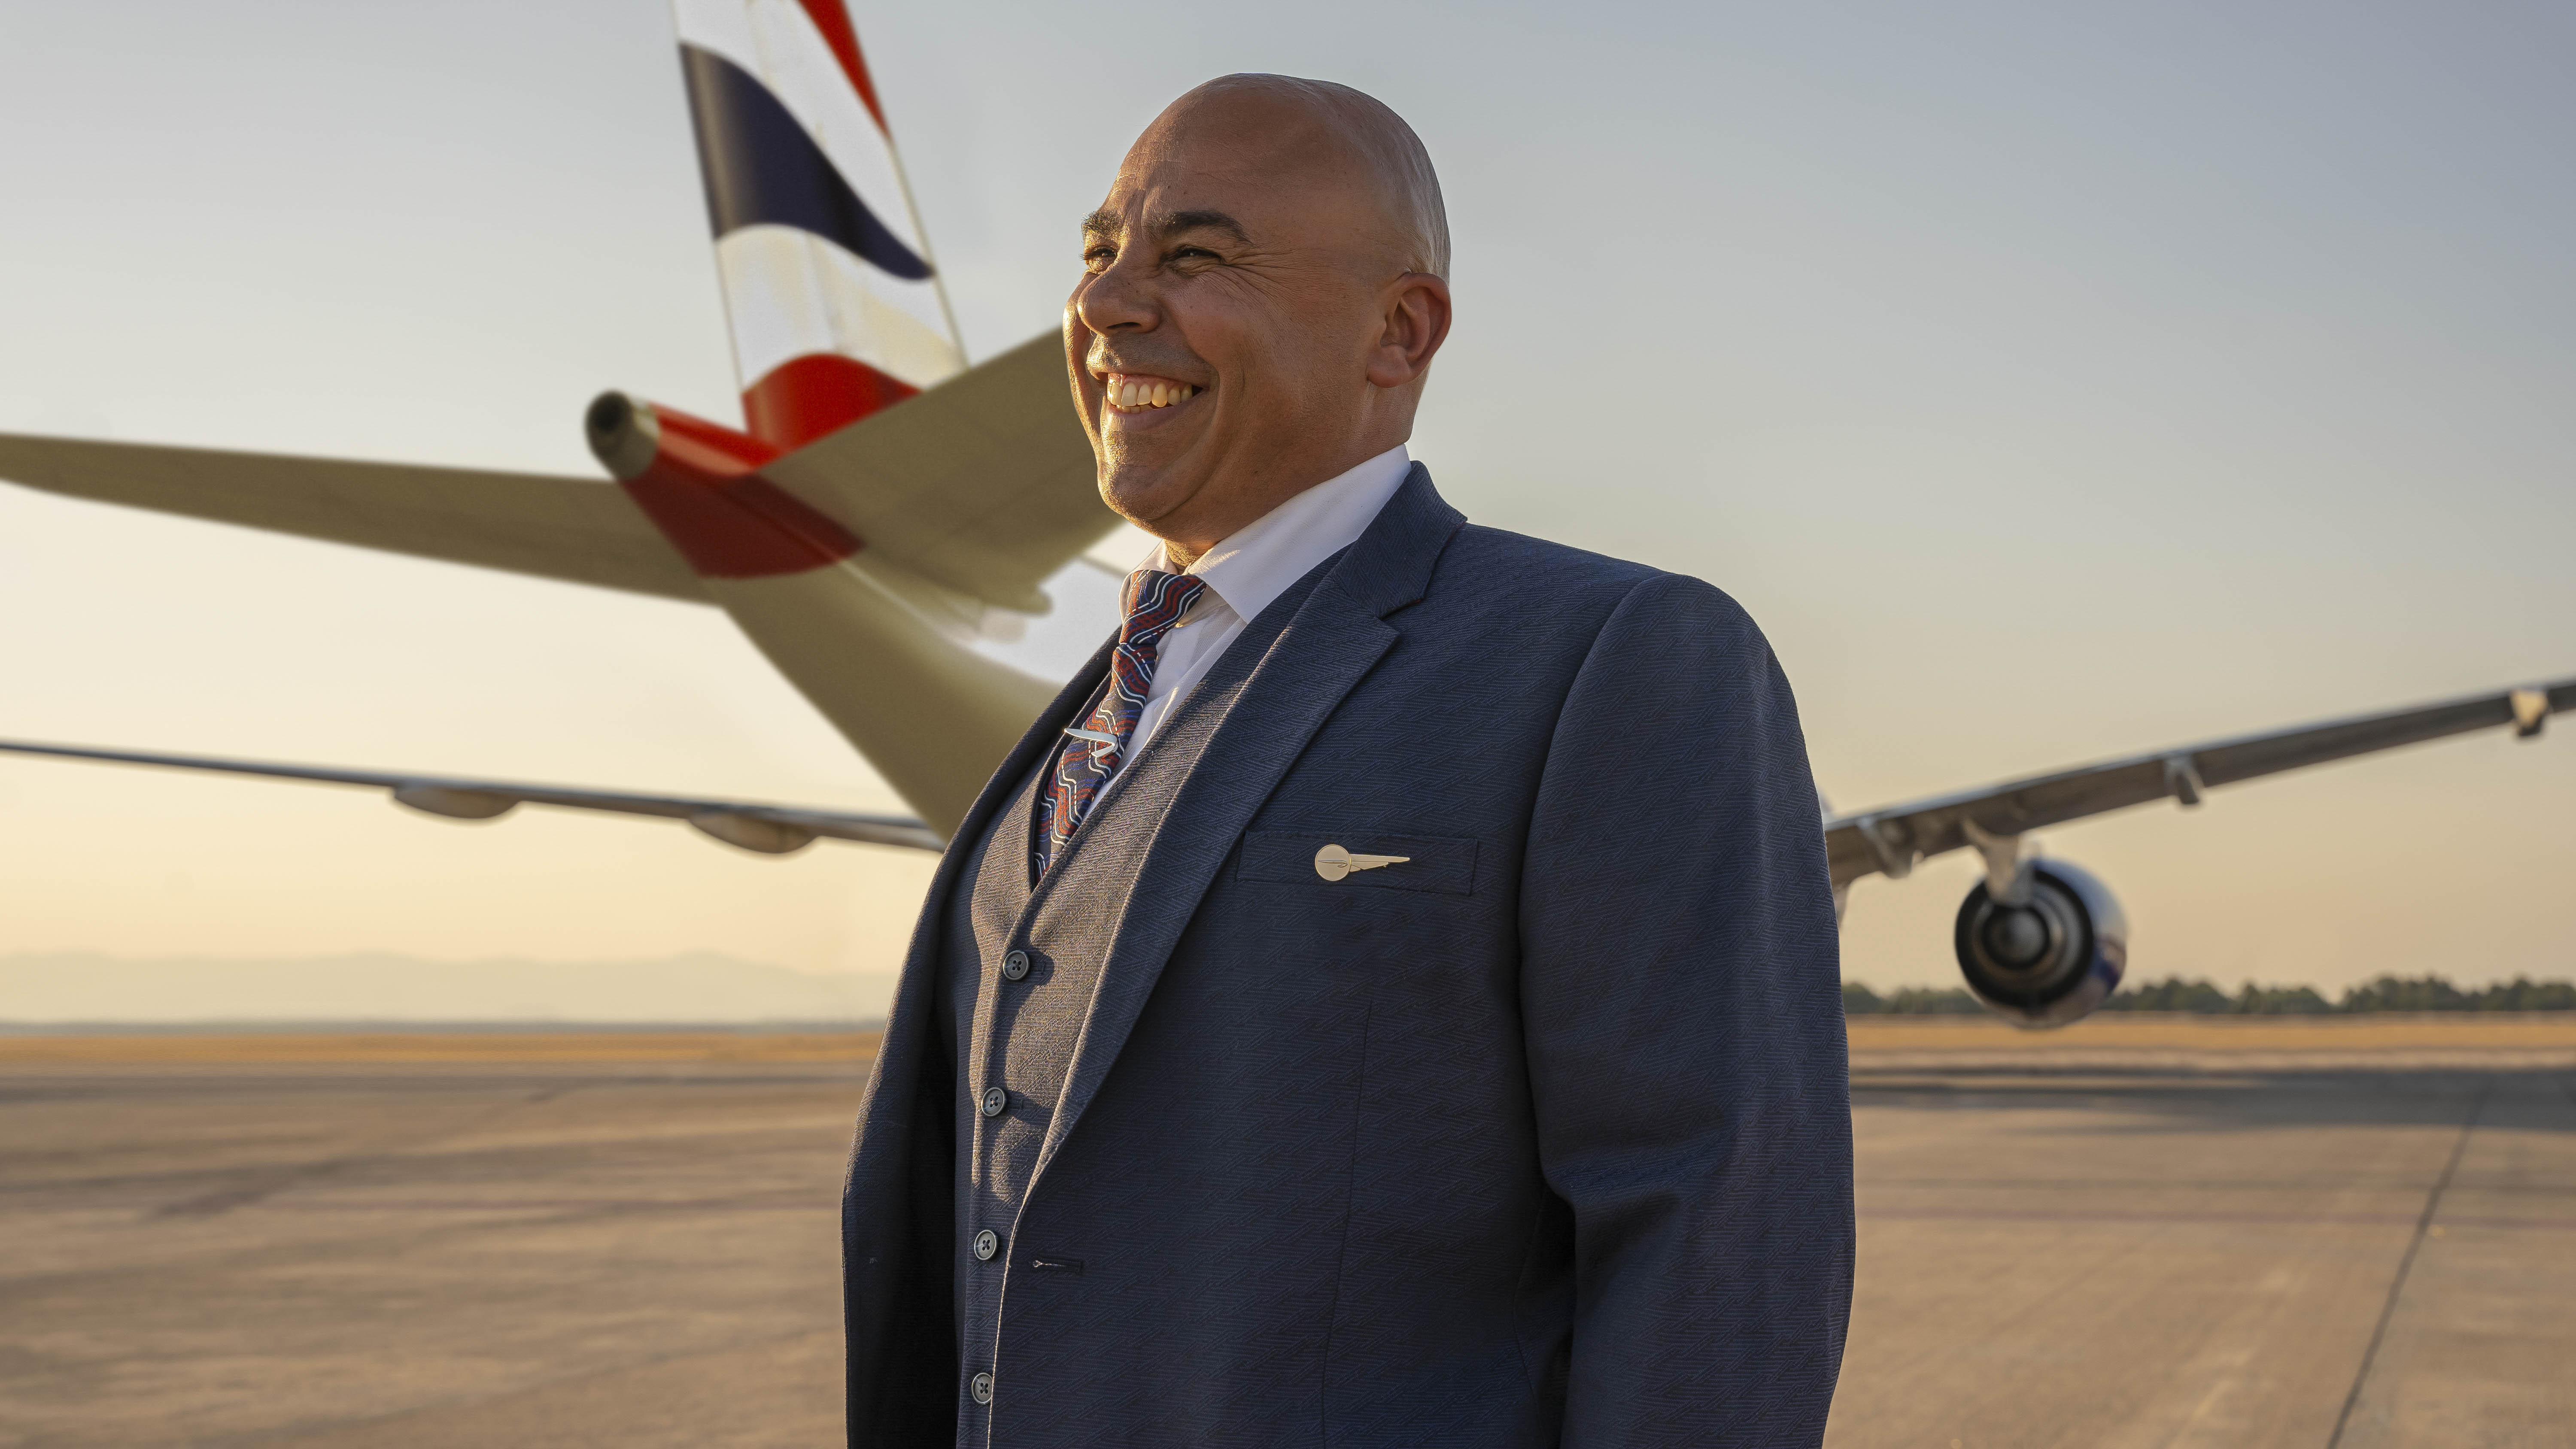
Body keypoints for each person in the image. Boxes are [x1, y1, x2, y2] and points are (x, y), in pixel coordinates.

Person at [841, 73, 1851, 1448]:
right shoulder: (1098, 709)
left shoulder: (1617, 659)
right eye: (1100, 253)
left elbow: (1717, 1234)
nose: (1107, 305)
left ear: (1399, 329)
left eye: (1193, 257)